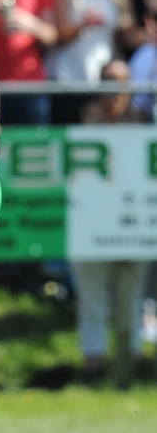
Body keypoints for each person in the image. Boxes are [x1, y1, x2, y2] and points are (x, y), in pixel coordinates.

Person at [71, 59, 151, 388]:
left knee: (132, 300)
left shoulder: (145, 122)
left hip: (133, 225)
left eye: (120, 81)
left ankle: (129, 366)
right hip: (89, 225)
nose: (114, 88)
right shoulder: (82, 118)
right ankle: (93, 367)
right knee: (92, 301)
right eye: (107, 80)